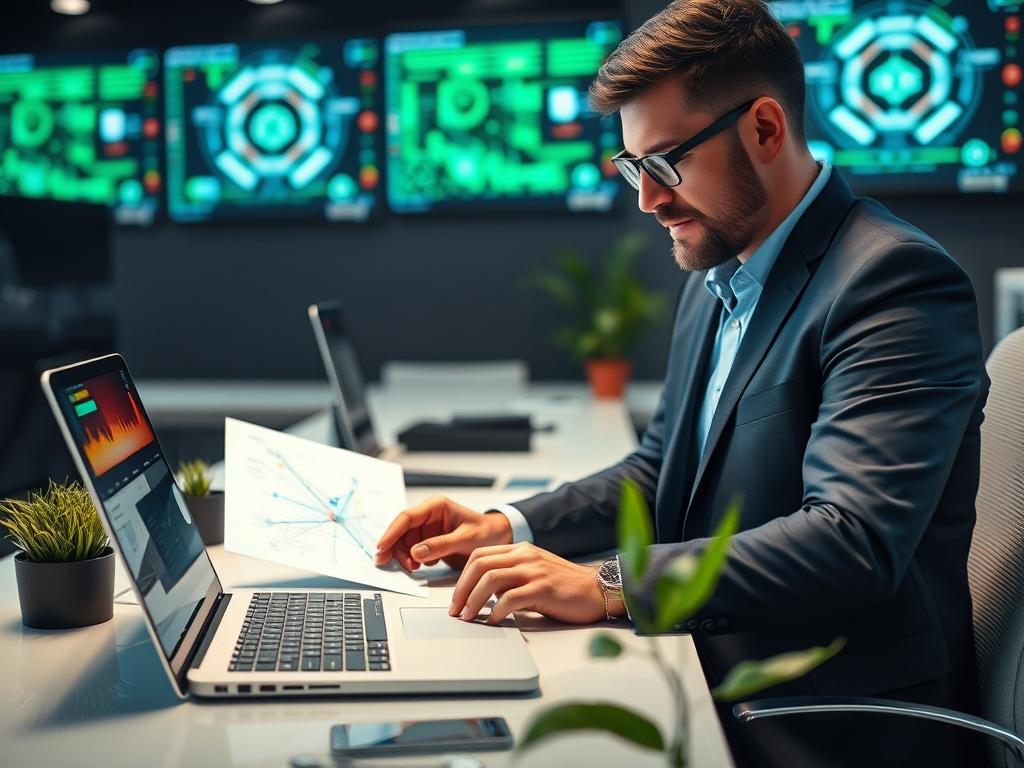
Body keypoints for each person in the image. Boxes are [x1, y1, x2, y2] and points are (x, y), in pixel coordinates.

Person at [375, 1, 988, 765]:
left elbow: (853, 540)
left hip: (825, 717)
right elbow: (662, 469)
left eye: (665, 164)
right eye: (633, 167)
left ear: (765, 129)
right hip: (713, 665)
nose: (647, 200)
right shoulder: (716, 275)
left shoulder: (893, 281)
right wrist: (509, 528)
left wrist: (606, 584)